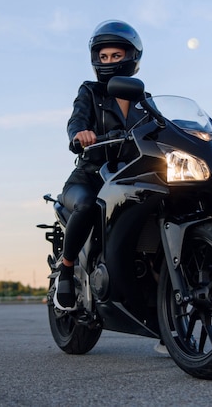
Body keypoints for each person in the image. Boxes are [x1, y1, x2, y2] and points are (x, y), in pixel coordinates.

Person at [53, 20, 147, 311]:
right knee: (87, 206)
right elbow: (77, 120)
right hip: (91, 177)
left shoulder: (145, 101)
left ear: (131, 57)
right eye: (103, 57)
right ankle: (66, 273)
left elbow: (162, 128)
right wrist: (79, 135)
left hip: (128, 178)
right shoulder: (91, 92)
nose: (109, 62)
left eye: (116, 56)